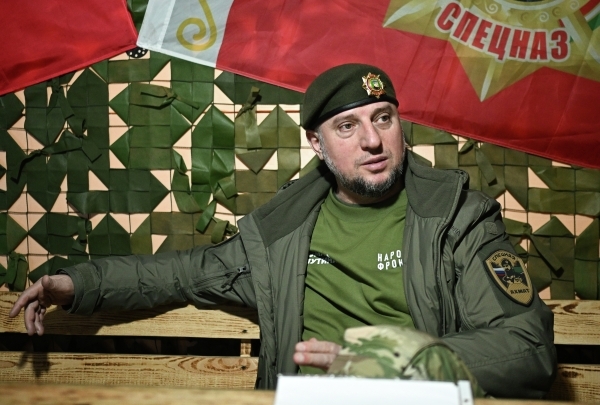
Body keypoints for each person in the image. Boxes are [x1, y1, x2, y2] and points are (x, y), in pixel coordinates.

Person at [9, 63, 556, 398]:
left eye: (383, 118)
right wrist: (76, 284)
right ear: (317, 144)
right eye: (348, 126)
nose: (372, 140)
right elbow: (180, 273)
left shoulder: (458, 220)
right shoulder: (282, 235)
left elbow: (526, 349)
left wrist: (400, 365)